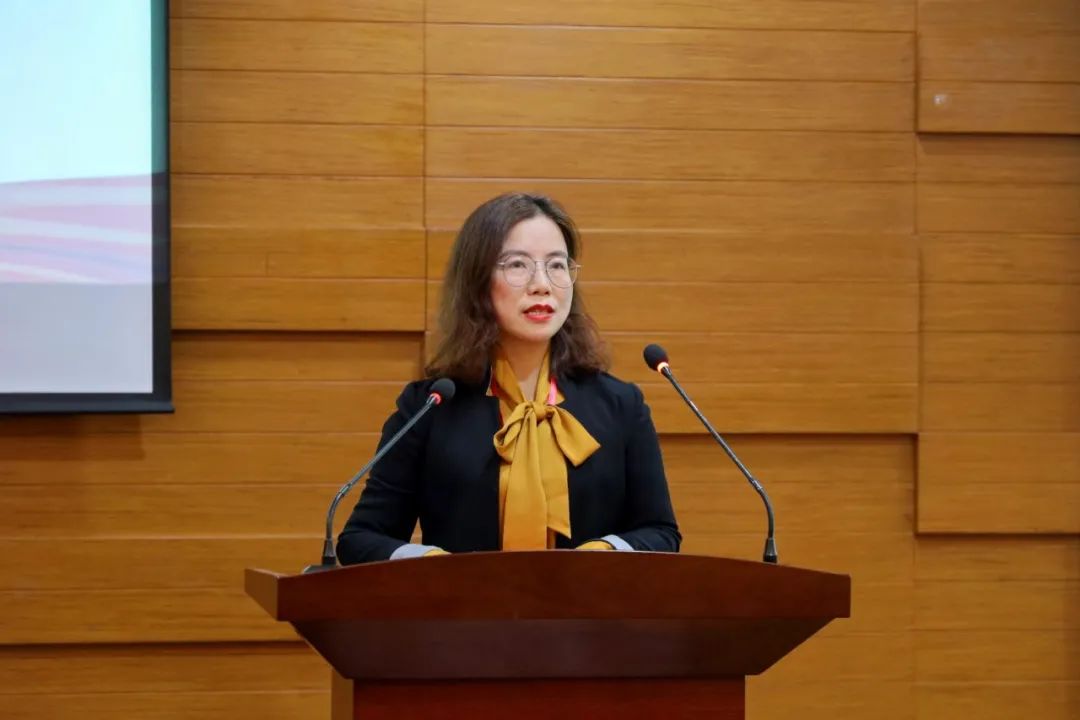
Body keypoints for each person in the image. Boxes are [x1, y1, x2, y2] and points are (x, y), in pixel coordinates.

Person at [336, 192, 680, 564]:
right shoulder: (430, 407)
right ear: (478, 280)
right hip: (463, 601)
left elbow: (660, 531)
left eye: (557, 265)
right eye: (517, 265)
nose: (542, 284)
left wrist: (603, 555)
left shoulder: (621, 406)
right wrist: (436, 566)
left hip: (590, 602)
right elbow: (360, 539)